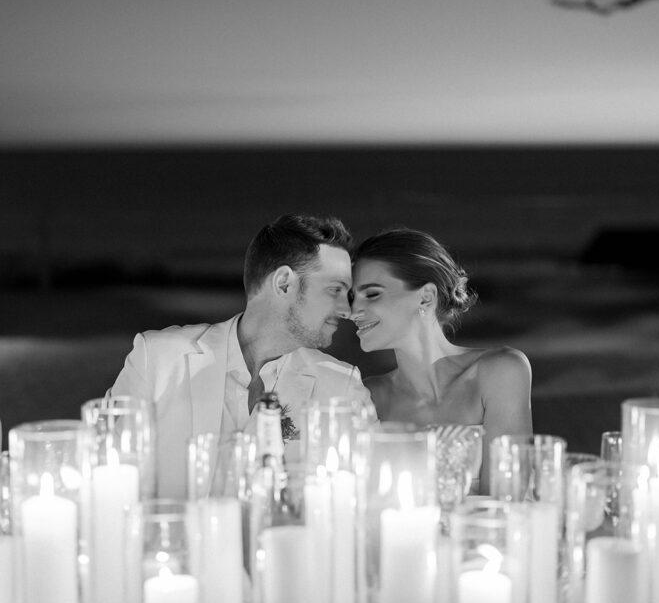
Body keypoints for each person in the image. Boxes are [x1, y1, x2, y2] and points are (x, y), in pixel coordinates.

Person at [109, 213, 372, 498]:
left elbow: (367, 497)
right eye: (335, 290)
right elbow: (106, 471)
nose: (346, 309)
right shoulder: (157, 360)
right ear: (284, 283)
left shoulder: (341, 388)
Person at [350, 227, 532, 494]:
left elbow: (508, 499)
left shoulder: (500, 372)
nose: (353, 311)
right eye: (352, 298)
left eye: (372, 294)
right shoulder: (368, 397)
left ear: (426, 297)